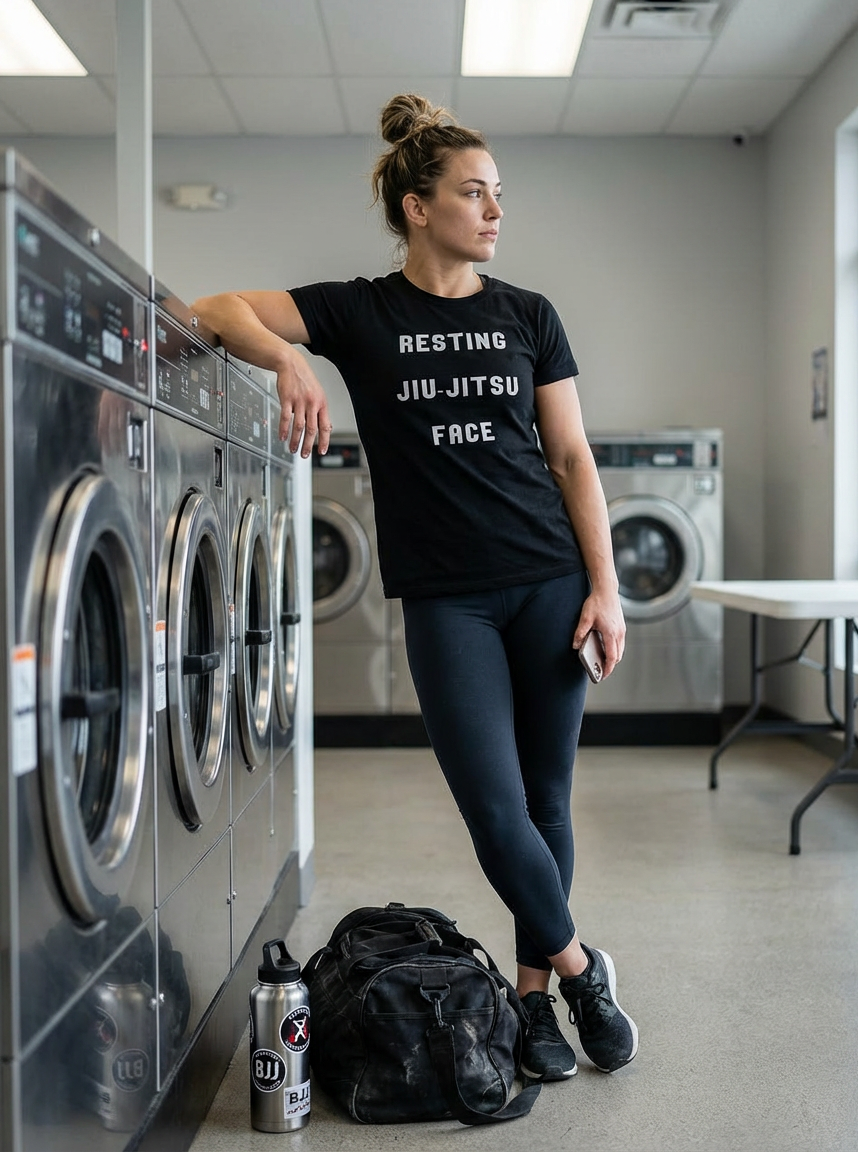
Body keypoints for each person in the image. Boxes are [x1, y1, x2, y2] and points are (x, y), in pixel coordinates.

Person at [192, 93, 638, 1082]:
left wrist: (604, 590)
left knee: (546, 801)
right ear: (416, 207)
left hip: (548, 576)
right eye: (473, 194)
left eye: (497, 195)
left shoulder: (528, 314)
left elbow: (570, 459)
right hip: (448, 598)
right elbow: (211, 308)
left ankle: (531, 1005)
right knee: (492, 808)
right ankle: (579, 968)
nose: (494, 212)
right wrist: (287, 367)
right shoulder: (358, 311)